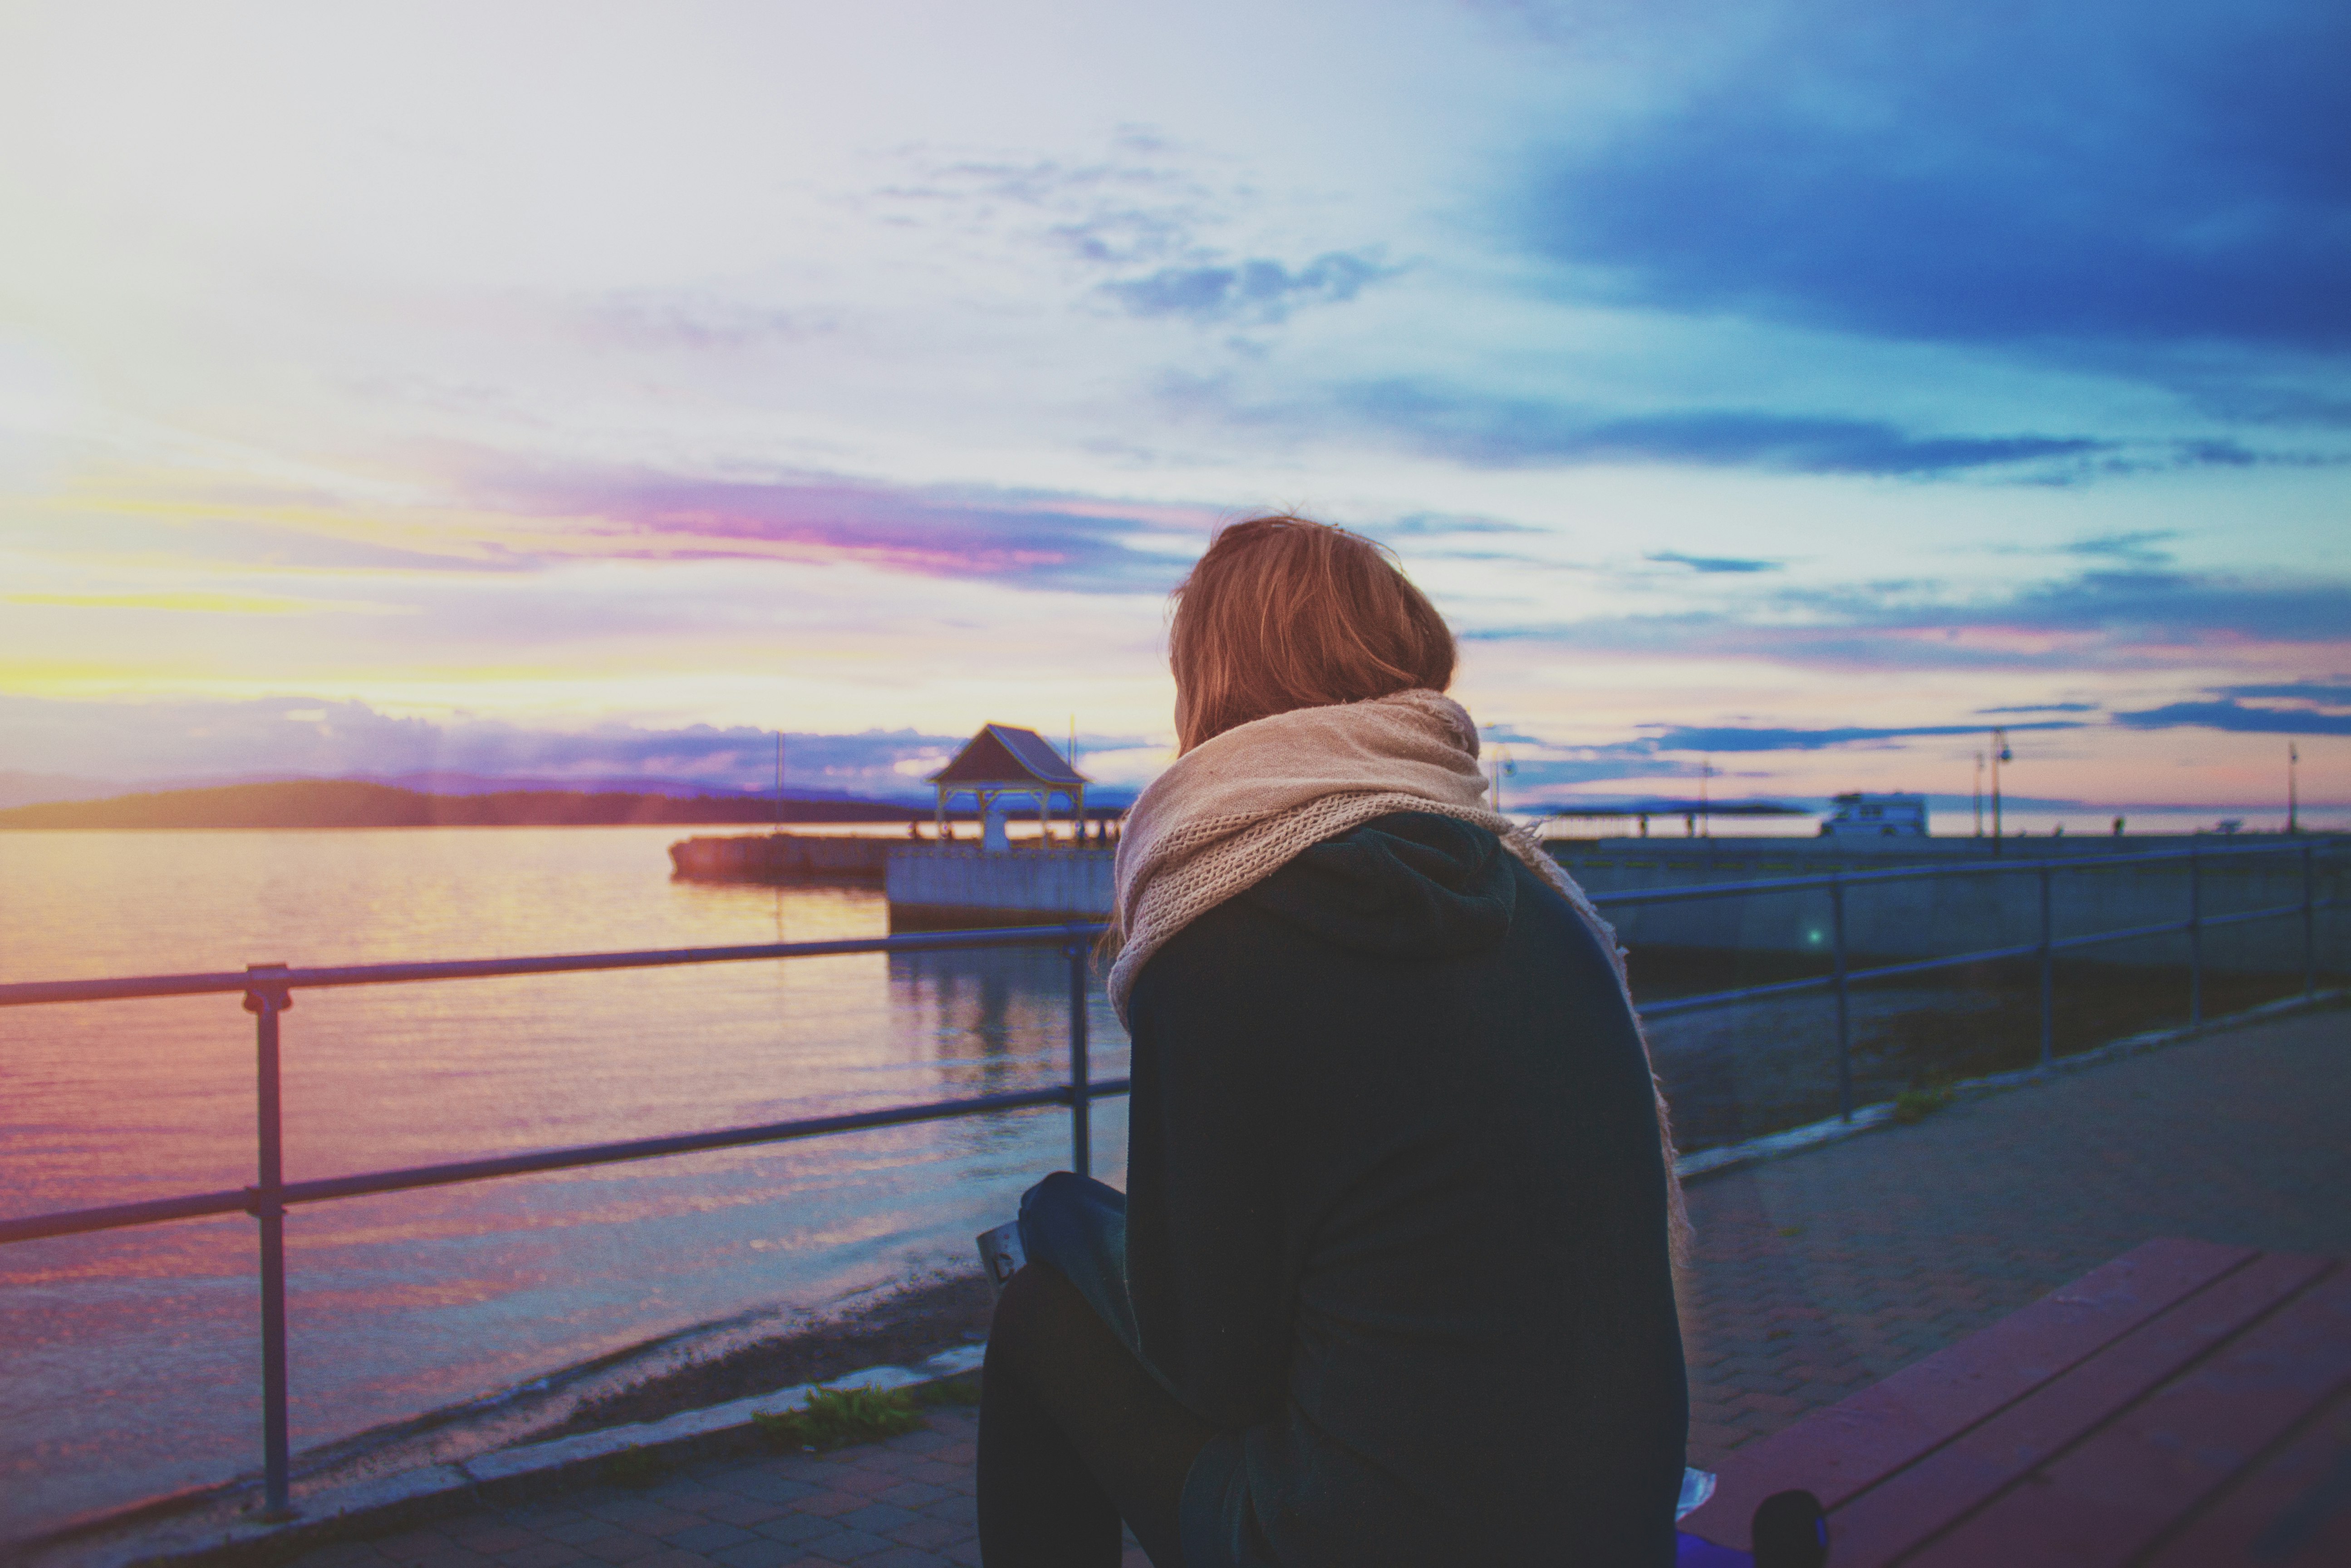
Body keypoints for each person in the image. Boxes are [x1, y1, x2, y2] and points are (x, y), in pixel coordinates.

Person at [978, 516, 1689, 1567]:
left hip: (1375, 1540)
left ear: (1210, 687)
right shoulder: (1542, 906)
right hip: (1610, 1525)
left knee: (1042, 1302)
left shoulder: (1222, 927)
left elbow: (1216, 1371)